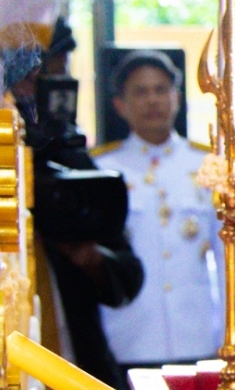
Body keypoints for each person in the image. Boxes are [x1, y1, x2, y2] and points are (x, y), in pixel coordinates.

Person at [5, 23, 146, 390]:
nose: (46, 90)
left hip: (82, 377)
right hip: (11, 388)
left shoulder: (68, 157)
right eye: (39, 78)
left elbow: (125, 275)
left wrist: (85, 255)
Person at [95, 51, 223, 368]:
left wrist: (229, 335)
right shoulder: (102, 168)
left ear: (176, 97)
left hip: (196, 335)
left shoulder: (208, 165)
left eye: (161, 90)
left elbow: (225, 255)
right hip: (129, 336)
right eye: (140, 92)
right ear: (120, 105)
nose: (152, 100)